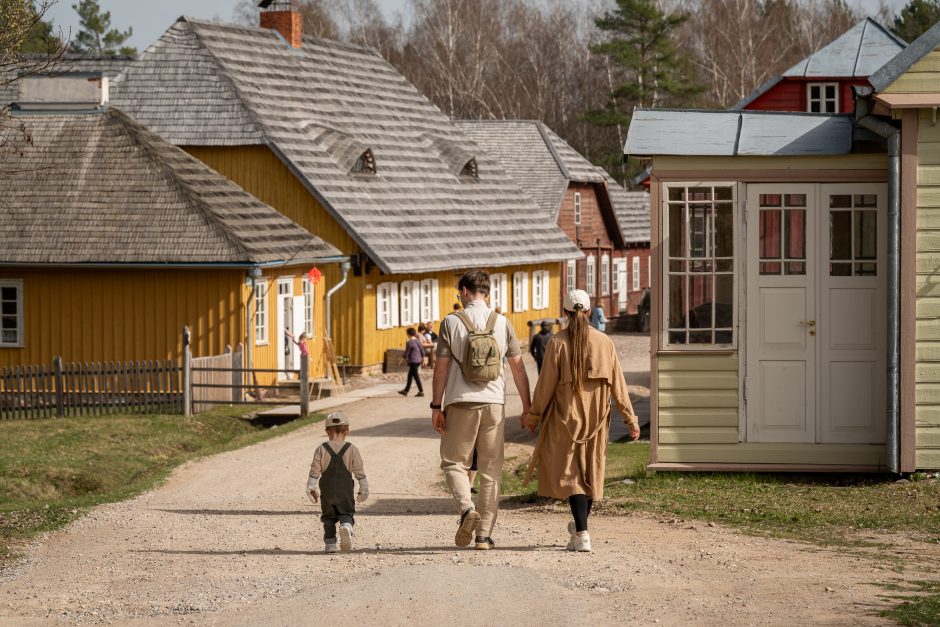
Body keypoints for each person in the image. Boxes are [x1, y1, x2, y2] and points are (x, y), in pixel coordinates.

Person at [522, 290, 639, 553]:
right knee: (590, 473)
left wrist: (533, 416)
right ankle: (581, 530)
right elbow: (619, 384)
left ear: (565, 313)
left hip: (566, 418)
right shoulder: (605, 342)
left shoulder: (557, 342)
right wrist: (630, 419)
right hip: (597, 418)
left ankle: (582, 532)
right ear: (588, 312)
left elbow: (545, 386)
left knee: (573, 475)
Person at [431, 270, 531, 551]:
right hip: (494, 403)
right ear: (486, 292)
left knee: (453, 462)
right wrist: (527, 407)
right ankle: (484, 536)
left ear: (464, 291)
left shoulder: (451, 322)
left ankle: (466, 510)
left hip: (460, 401)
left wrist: (436, 405)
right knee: (490, 470)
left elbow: (440, 369)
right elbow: (519, 368)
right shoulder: (503, 323)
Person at [306, 412, 369, 554]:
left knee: (328, 518)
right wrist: (364, 488)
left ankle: (330, 544)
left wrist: (310, 487)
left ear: (327, 431)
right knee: (346, 513)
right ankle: (346, 526)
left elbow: (314, 471)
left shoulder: (321, 449)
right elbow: (359, 471)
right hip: (345, 492)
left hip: (327, 492)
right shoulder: (352, 449)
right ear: (347, 430)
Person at [398, 328, 425, 397]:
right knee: (410, 375)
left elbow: (407, 353)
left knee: (416, 376)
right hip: (418, 360)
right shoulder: (417, 341)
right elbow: (422, 350)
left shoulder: (409, 342)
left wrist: (401, 361)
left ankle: (421, 391)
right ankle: (406, 391)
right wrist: (422, 359)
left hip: (413, 361)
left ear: (408, 334)